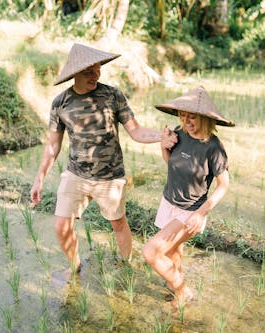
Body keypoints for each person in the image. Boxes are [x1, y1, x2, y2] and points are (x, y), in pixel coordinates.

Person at [30, 43, 177, 278]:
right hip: (76, 174)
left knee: (118, 223)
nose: (95, 75)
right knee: (61, 225)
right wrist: (39, 179)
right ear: (74, 73)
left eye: (98, 69)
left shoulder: (112, 95)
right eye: (89, 71)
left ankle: (125, 265)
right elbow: (53, 145)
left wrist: (161, 136)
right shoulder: (60, 103)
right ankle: (75, 266)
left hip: (110, 177)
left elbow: (135, 131)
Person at [142, 86, 234, 307]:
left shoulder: (214, 148)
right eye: (182, 114)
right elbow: (171, 163)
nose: (186, 120)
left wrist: (201, 214)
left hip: (190, 211)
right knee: (172, 250)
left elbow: (224, 185)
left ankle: (183, 292)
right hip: (169, 202)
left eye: (191, 116)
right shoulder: (179, 133)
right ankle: (176, 284)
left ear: (204, 118)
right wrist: (164, 145)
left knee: (151, 252)